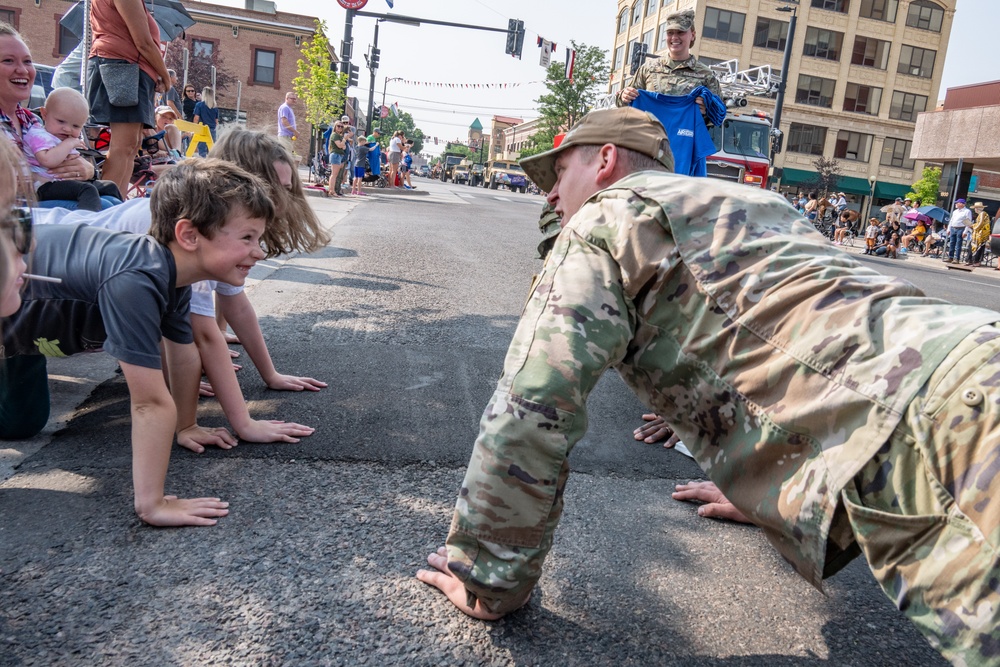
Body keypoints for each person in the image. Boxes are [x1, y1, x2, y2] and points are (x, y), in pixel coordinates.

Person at [416, 107, 1000, 667]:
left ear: (605, 163)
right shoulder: (758, 202)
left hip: (936, 420)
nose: (549, 195)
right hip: (969, 353)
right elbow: (792, 329)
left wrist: (490, 579)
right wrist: (773, 487)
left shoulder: (603, 217)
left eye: (559, 172)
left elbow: (534, 403)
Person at [1, 159, 277, 527]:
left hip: (28, 338)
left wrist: (187, 425)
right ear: (190, 235)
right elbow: (148, 402)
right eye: (247, 237)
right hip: (12, 305)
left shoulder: (171, 275)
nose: (259, 251)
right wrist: (153, 503)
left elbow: (183, 355)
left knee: (22, 422)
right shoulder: (137, 278)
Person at [86, 0, 171, 196]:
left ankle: (116, 201)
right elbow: (143, 42)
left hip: (129, 68)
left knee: (130, 146)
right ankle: (107, 207)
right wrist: (165, 75)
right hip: (122, 68)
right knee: (123, 146)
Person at [0, 24, 95, 187]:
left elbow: (62, 157)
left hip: (50, 203)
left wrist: (89, 170)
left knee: (111, 201)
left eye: (27, 61)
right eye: (8, 60)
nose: (23, 70)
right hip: (19, 210)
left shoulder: (31, 120)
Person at [24, 88, 121, 211]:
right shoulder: (38, 135)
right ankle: (88, 222)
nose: (68, 129)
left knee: (110, 186)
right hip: (45, 185)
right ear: (44, 114)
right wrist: (68, 144)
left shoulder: (59, 136)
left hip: (64, 181)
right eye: (61, 121)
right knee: (88, 191)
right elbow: (47, 160)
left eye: (75, 126)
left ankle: (121, 220)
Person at [617, 9, 721, 122]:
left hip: (684, 137)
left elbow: (719, 114)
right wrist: (624, 97)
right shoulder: (649, 69)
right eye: (670, 33)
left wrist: (707, 110)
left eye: (680, 32)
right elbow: (621, 103)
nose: (674, 37)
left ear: (692, 35)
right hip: (651, 136)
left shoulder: (706, 75)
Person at [192, 87, 218, 157]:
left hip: (202, 129)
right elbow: (216, 121)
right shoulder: (215, 107)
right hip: (212, 130)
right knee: (212, 150)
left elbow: (196, 118)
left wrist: (194, 129)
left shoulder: (199, 105)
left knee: (202, 150)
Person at [326, 120, 349, 198]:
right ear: (335, 127)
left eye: (341, 126)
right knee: (334, 174)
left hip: (339, 155)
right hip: (335, 155)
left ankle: (332, 190)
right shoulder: (335, 135)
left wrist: (343, 143)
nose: (340, 128)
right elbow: (340, 145)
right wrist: (344, 140)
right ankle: (331, 191)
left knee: (335, 174)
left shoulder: (339, 136)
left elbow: (344, 146)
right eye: (338, 126)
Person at [944, 198, 972, 263]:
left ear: (962, 204)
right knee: (951, 243)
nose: (956, 204)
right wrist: (948, 229)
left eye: (957, 203)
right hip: (953, 228)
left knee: (958, 244)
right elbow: (951, 220)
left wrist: (965, 231)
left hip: (961, 228)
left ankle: (957, 258)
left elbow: (968, 222)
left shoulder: (967, 211)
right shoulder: (955, 211)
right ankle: (950, 257)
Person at [966, 202, 991, 267]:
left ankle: (976, 261)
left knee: (978, 248)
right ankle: (971, 260)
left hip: (980, 235)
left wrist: (973, 226)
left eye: (975, 208)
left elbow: (981, 223)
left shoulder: (982, 214)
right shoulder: (981, 214)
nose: (975, 210)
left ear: (978, 208)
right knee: (971, 247)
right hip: (977, 234)